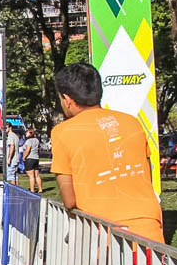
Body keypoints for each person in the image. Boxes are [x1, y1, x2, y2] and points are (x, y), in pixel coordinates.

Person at [50, 63, 163, 243]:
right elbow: (146, 176)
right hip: (149, 232)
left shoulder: (62, 132)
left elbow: (69, 200)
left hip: (101, 237)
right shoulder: (132, 123)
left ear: (67, 99)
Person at [23, 127, 42, 193]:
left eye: (27, 132)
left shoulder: (28, 141)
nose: (25, 133)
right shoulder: (36, 140)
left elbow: (28, 150)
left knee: (31, 176)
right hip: (36, 158)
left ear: (30, 133)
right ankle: (40, 189)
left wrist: (24, 157)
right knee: (37, 175)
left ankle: (32, 190)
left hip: (30, 158)